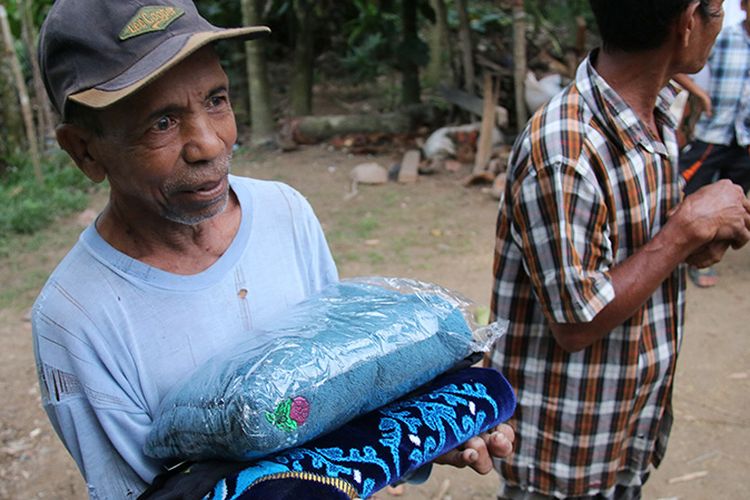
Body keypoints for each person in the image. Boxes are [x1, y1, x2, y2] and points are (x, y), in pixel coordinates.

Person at [32, 1, 514, 498]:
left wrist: (426, 428)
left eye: (216, 100)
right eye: (162, 123)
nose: (210, 144)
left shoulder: (284, 211)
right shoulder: (76, 316)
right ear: (84, 150)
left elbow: (341, 376)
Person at [486, 0, 750, 499]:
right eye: (717, 11)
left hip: (625, 426)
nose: (720, 26)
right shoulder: (565, 151)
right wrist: (684, 233)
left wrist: (692, 245)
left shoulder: (654, 114)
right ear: (689, 20)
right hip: (565, 455)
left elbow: (630, 252)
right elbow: (576, 321)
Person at [674, 0, 750, 287]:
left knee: (733, 200)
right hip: (713, 134)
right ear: (743, 6)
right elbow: (679, 64)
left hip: (745, 139)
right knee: (684, 188)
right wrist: (699, 94)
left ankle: (704, 258)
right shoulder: (723, 38)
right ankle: (673, 249)